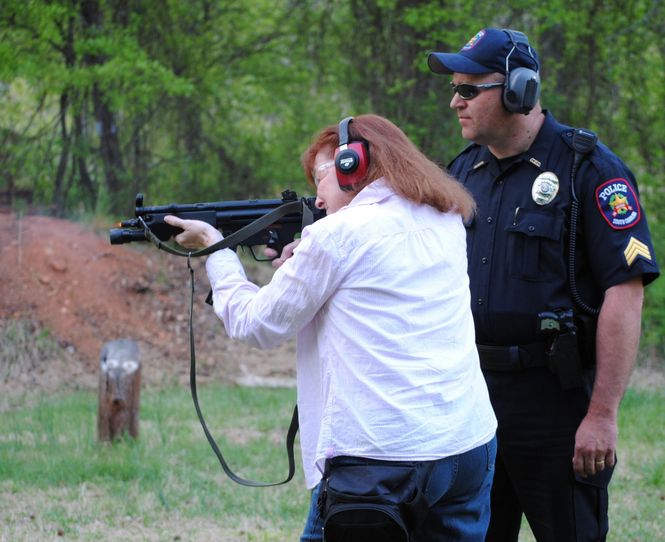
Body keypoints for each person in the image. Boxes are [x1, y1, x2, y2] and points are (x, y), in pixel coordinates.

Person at [164, 114, 497, 541]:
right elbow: (375, 292)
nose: (318, 199)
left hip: (382, 459)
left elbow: (255, 324)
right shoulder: (444, 217)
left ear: (350, 165)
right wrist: (302, 266)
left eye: (320, 177)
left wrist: (216, 251)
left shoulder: (337, 235)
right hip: (466, 443)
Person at [427, 28, 660, 542]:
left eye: (468, 90)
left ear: (519, 90)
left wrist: (601, 416)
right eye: (455, 89)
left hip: (555, 403)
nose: (454, 102)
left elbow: (626, 290)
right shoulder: (464, 173)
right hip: (472, 401)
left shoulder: (590, 170)